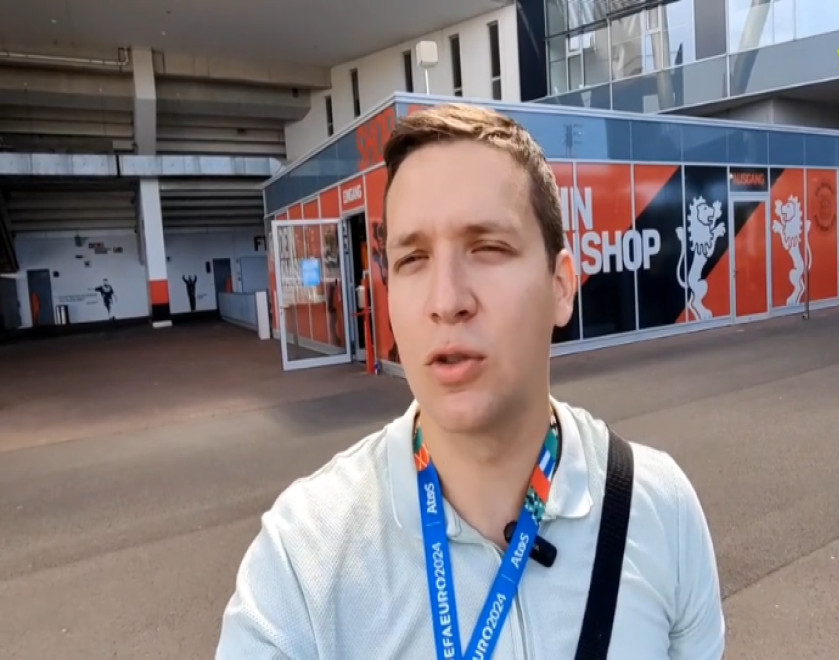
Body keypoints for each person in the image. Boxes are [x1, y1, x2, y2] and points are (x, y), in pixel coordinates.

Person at [216, 103, 725, 659]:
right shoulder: (303, 562)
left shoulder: (659, 510)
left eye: (487, 248)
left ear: (561, 287)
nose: (447, 300)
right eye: (413, 259)